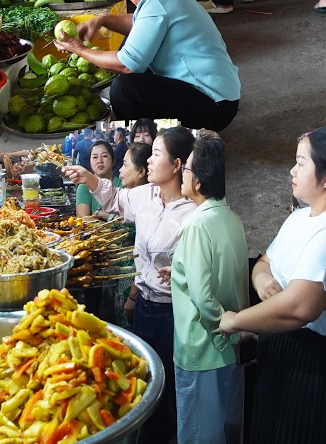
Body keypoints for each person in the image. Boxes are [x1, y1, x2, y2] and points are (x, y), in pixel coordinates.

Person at [218, 127, 326, 444]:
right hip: (279, 347)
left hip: (311, 363)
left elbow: (300, 307)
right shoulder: (302, 217)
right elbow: (265, 261)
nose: (292, 170)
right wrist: (262, 283)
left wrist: (235, 321)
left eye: (301, 163)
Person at [64, 127, 197, 444]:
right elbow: (113, 198)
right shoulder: (146, 195)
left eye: (156, 155)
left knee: (170, 388)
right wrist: (87, 177)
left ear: (177, 165)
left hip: (174, 313)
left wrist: (180, 269)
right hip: (145, 308)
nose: (149, 160)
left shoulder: (193, 211)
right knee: (144, 382)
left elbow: (201, 266)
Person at [55, 0, 241, 131]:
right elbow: (140, 26)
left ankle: (146, 145)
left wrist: (78, 49)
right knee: (135, 59)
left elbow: (126, 65)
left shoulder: (157, 3)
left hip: (213, 107)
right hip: (222, 100)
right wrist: (102, 20)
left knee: (124, 88)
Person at [171, 136, 249, 444]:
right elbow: (223, 273)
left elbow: (203, 298)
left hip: (202, 349)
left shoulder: (196, 225)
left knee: (199, 435)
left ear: (199, 182)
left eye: (187, 168)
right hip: (230, 351)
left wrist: (221, 331)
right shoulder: (231, 219)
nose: (182, 173)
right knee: (227, 431)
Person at [67, 140, 119, 216]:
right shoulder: (84, 187)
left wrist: (101, 214)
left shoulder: (123, 184)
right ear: (90, 162)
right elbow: (83, 220)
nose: (99, 161)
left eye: (104, 156)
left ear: (113, 160)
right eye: (95, 157)